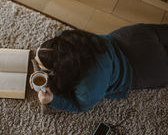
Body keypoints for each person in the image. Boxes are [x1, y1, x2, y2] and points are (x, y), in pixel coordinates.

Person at [30, 24, 168, 112]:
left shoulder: (88, 88)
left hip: (144, 68)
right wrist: (44, 72)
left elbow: (79, 106)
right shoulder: (67, 37)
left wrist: (53, 101)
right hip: (132, 37)